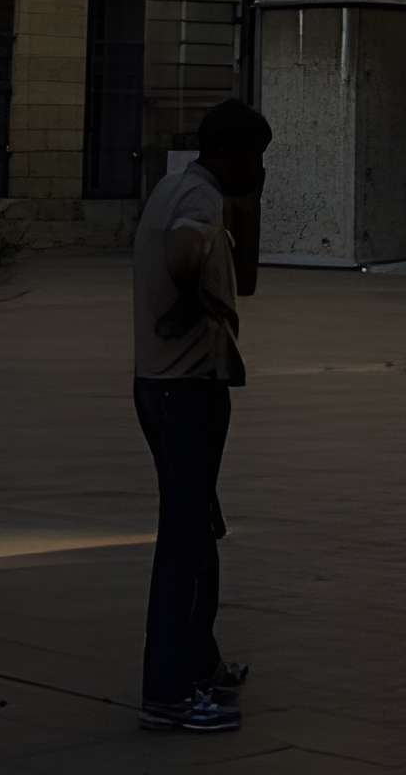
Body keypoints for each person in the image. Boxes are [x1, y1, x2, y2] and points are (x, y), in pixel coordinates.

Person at [131, 96, 269, 735]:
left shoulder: (173, 186)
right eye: (256, 158)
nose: (259, 171)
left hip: (163, 383)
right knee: (184, 543)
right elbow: (188, 252)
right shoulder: (201, 198)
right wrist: (188, 306)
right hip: (185, 387)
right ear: (231, 154)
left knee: (199, 528)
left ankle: (200, 661)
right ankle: (169, 691)